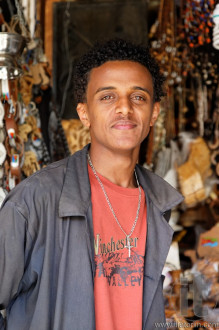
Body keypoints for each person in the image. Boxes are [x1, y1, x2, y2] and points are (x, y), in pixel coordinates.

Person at [0, 39, 183, 330]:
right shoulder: (33, 201)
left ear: (154, 114)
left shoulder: (158, 202)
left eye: (138, 97)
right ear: (84, 113)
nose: (125, 108)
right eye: (107, 97)